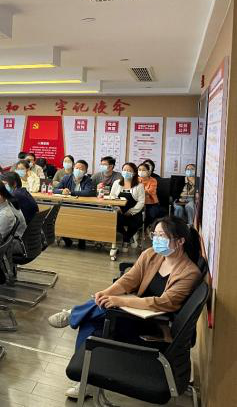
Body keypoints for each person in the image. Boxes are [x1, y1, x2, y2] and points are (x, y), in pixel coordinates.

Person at [47, 216, 202, 400]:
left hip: (153, 325)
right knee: (91, 320)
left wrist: (120, 301)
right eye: (155, 234)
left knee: (98, 313)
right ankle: (85, 380)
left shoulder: (189, 272)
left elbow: (163, 302)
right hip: (134, 312)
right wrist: (105, 293)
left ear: (180, 241)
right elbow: (129, 279)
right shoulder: (151, 254)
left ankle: (73, 315)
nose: (156, 239)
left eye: (162, 236)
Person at [110, 162, 146, 250]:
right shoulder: (117, 183)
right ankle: (127, 237)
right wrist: (116, 207)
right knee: (113, 220)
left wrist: (131, 211)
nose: (126, 172)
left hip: (133, 211)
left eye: (129, 170)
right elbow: (112, 196)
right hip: (119, 210)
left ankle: (126, 239)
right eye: (124, 170)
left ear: (134, 173)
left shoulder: (139, 185)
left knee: (137, 223)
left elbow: (141, 202)